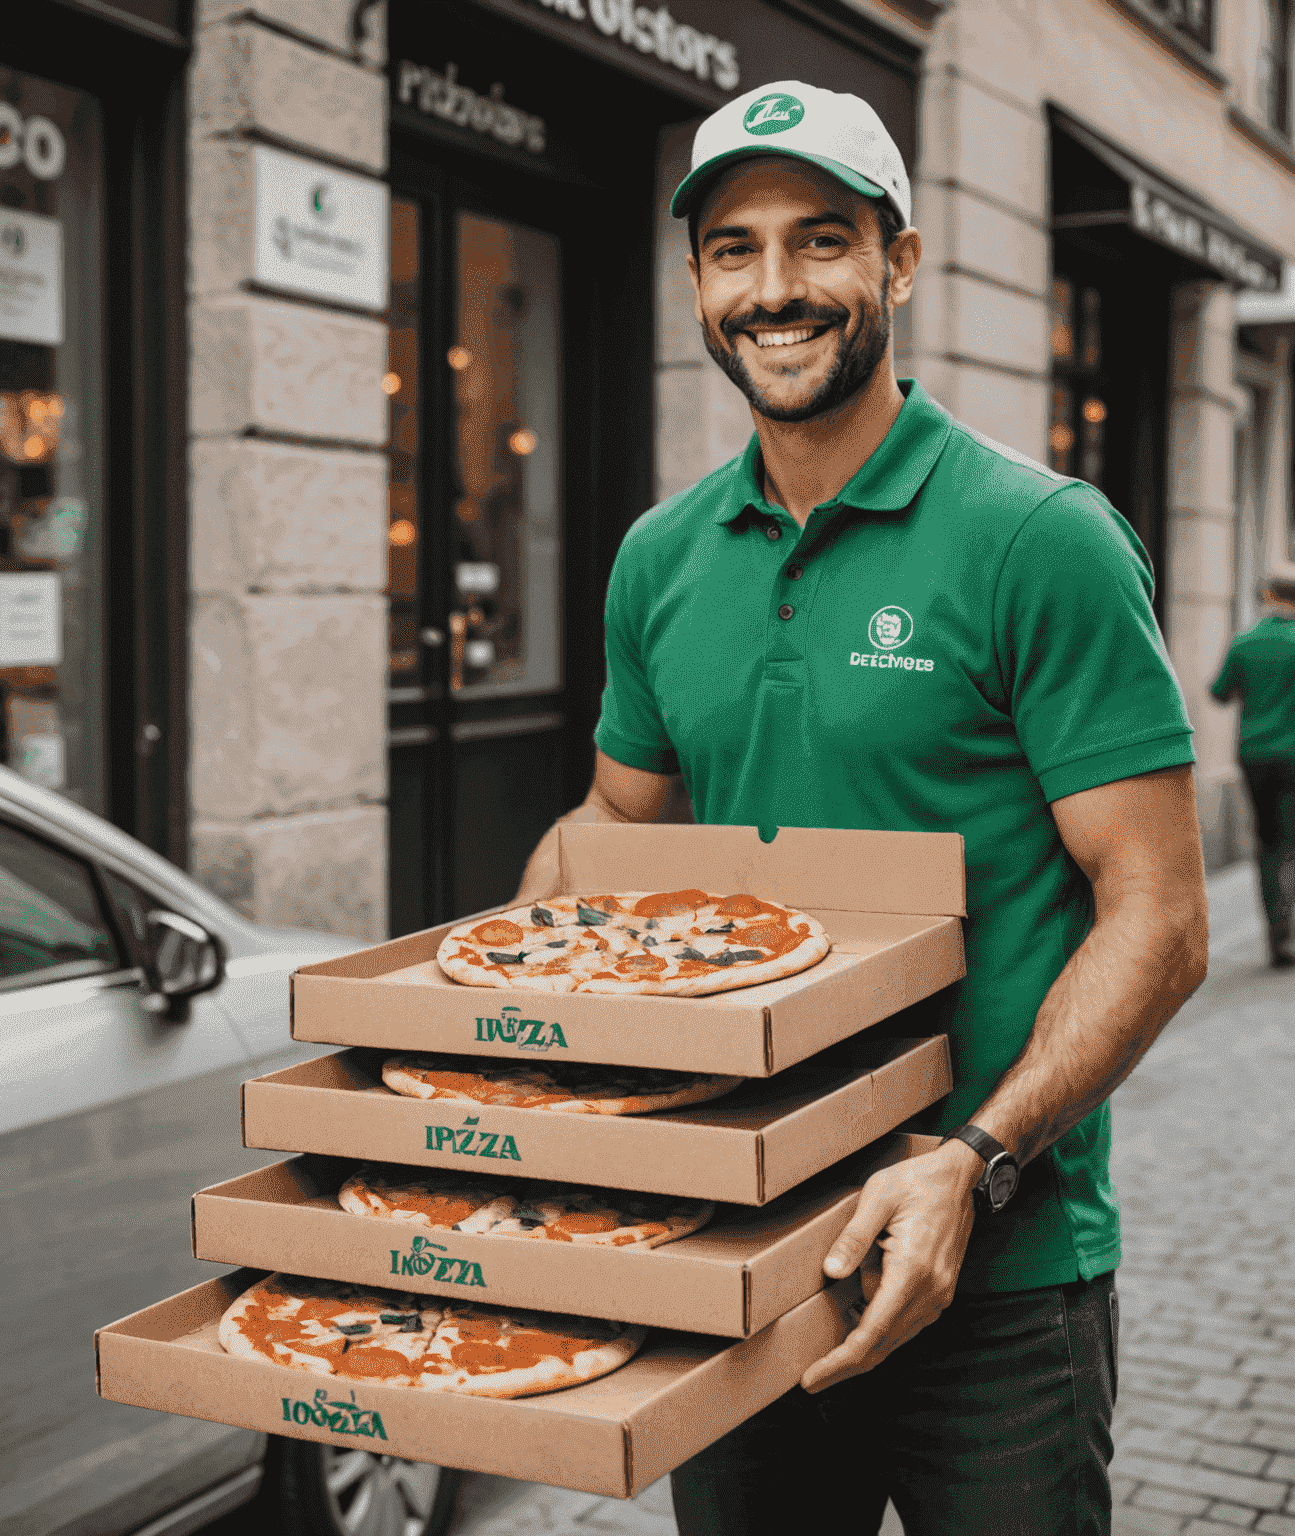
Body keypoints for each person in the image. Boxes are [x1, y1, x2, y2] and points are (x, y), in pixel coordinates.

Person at [515, 80, 1209, 1534]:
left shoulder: (1040, 541)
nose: (775, 289)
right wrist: (516, 1048)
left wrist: (977, 1156)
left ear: (898, 260)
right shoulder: (659, 559)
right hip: (745, 1257)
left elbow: (1157, 915)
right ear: (698, 281)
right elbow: (614, 830)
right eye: (733, 249)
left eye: (820, 240)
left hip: (1003, 1260)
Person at [1210, 578, 1295, 967]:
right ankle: (1288, 930)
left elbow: (1220, 692)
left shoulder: (1245, 643)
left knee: (1268, 842)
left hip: (1256, 754)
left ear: (1268, 597)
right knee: (1290, 842)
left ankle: (1276, 933)